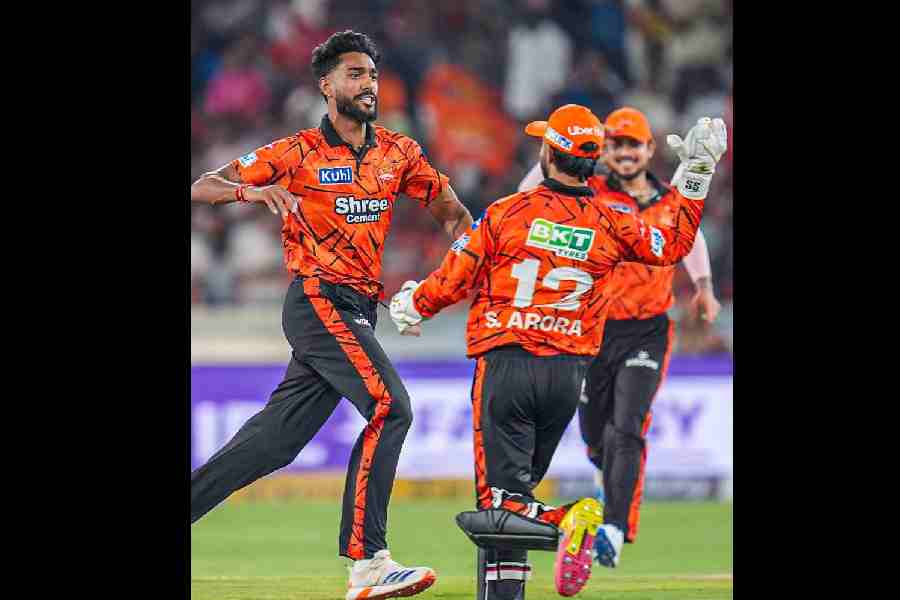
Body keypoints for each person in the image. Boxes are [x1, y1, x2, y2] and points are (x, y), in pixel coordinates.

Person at [389, 104, 724, 598]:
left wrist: (411, 306)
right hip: (568, 375)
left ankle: (571, 522)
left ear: (548, 154)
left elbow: (456, 275)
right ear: (594, 161)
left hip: (507, 367)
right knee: (513, 499)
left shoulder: (508, 213)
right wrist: (696, 174)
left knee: (499, 506)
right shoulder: (612, 221)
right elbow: (673, 244)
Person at [189, 30, 473, 600]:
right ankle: (368, 563)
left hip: (359, 306)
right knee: (390, 405)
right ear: (326, 85)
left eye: (371, 74)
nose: (367, 84)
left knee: (274, 444)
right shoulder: (296, 152)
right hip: (317, 298)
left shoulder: (399, 151)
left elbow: (452, 212)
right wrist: (252, 195)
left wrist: (449, 272)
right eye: (353, 74)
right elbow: (203, 186)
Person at [517, 106, 725, 569]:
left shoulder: (671, 199)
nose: (626, 153)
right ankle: (606, 477)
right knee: (595, 437)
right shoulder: (587, 191)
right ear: (603, 150)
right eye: (616, 144)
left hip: (648, 329)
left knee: (627, 427)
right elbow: (526, 196)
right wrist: (555, 150)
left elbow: (688, 239)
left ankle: (613, 526)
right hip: (593, 326)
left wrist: (705, 288)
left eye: (634, 144)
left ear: (650, 150)